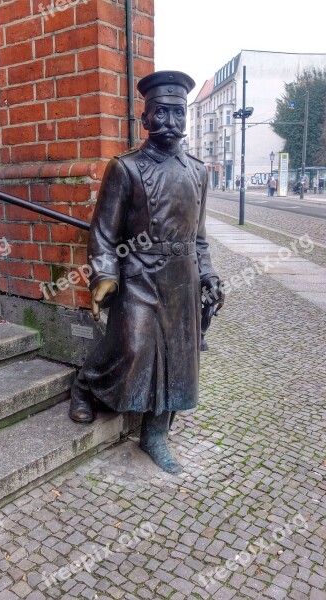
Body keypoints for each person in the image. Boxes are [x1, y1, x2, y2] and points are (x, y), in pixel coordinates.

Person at [68, 70, 224, 474]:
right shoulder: (125, 168)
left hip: (182, 278)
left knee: (179, 360)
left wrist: (207, 275)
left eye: (178, 113)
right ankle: (86, 385)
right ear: (145, 118)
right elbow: (103, 232)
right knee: (132, 347)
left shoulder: (198, 171)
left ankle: (155, 436)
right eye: (161, 113)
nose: (170, 122)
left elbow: (200, 236)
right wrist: (104, 276)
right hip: (139, 274)